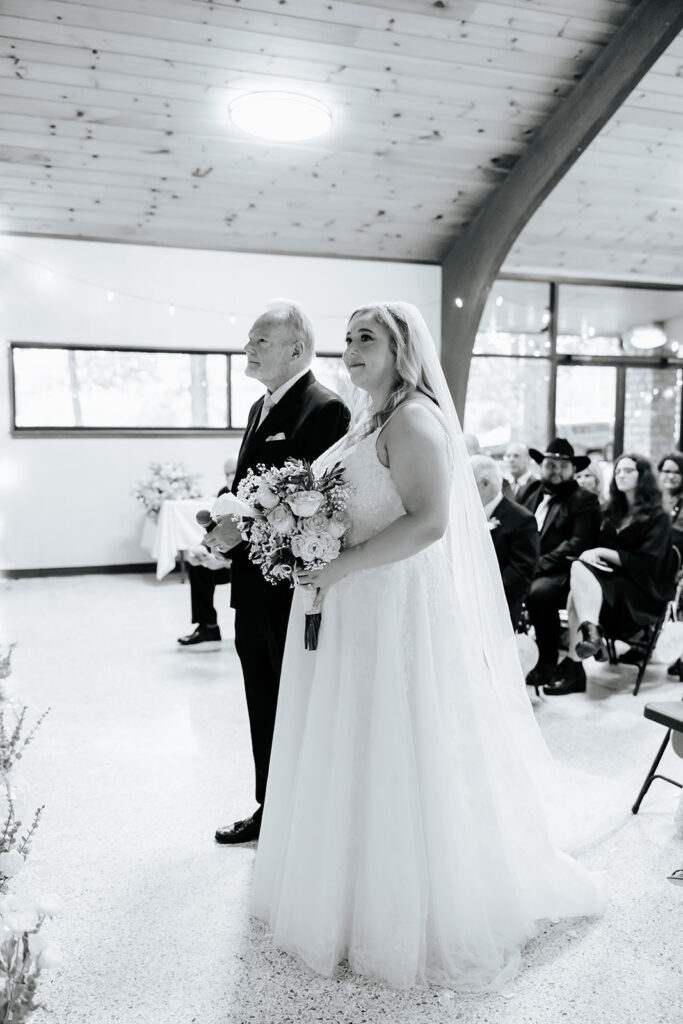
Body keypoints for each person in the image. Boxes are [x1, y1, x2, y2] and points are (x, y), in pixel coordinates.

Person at [251, 302, 603, 992]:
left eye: (367, 338)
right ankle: (343, 888)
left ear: (402, 351)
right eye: (347, 338)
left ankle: (400, 904)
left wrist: (339, 564)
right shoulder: (368, 420)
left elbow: (431, 522)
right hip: (350, 599)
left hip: (391, 602)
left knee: (397, 736)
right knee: (352, 737)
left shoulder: (413, 419)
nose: (351, 349)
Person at [203, 300, 350, 844]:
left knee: (293, 702)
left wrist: (243, 529)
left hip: (289, 588)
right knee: (260, 700)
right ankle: (271, 805)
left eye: (259, 340)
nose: (248, 348)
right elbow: (251, 488)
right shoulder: (258, 407)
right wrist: (222, 521)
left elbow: (317, 504)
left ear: (296, 349)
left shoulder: (325, 410)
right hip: (251, 586)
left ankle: (302, 810)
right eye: (250, 339)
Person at [547, 454, 678, 696]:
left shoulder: (658, 517)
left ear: (643, 476)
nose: (621, 475)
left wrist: (602, 552)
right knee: (577, 578)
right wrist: (594, 554)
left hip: (641, 593)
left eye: (628, 471)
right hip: (611, 587)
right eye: (618, 471)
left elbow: (648, 563)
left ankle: (579, 659)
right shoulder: (612, 511)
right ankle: (590, 636)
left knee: (577, 583)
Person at [518, 439, 601, 690]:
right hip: (526, 565)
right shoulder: (529, 491)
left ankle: (547, 662)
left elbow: (578, 544)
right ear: (541, 466)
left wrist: (536, 565)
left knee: (539, 593)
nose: (555, 470)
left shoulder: (584, 499)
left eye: (562, 466)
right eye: (550, 464)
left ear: (573, 469)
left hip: (562, 572)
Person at [471, 454, 539, 628]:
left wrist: (485, 595)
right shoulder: (465, 515)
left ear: (484, 483)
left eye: (467, 483)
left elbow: (521, 571)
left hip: (500, 605)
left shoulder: (522, 519)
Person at [177, 457, 237, 646]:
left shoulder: (254, 495)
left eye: (234, 472)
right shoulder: (224, 493)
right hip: (227, 557)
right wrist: (200, 550)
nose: (230, 477)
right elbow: (215, 529)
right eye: (227, 474)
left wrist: (225, 564)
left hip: (248, 563)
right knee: (199, 567)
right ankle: (208, 627)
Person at [657, 452, 683, 676]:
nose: (670, 476)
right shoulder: (654, 498)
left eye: (676, 472)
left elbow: (678, 536)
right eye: (666, 471)